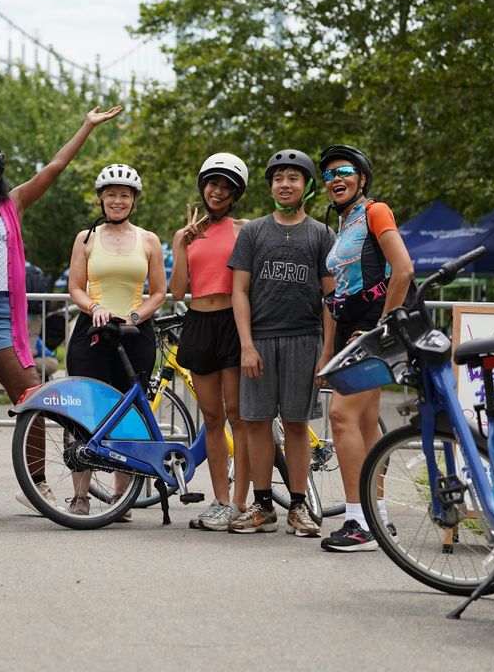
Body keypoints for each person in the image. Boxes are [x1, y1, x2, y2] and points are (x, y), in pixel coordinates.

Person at [0, 105, 123, 512]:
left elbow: (54, 167)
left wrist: (86, 126)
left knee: (33, 394)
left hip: (1, 313)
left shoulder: (13, 204)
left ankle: (36, 483)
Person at [227, 149, 334, 538]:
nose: (284, 184)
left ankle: (299, 506)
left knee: (296, 423)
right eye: (278, 178)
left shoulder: (321, 234)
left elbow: (331, 297)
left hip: (304, 338)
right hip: (260, 338)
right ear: (270, 185)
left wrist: (327, 352)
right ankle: (262, 505)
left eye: (293, 177)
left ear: (306, 185)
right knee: (256, 422)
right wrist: (246, 344)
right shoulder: (253, 232)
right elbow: (239, 291)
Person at [317, 145, 413, 552]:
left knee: (341, 417)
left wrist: (380, 328)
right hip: (349, 329)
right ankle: (379, 515)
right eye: (328, 175)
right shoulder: (343, 226)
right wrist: (327, 352)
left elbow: (403, 269)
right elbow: (335, 297)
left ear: (361, 179)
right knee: (366, 423)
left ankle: (359, 523)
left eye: (344, 171)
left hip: (371, 327)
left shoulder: (376, 211)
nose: (335, 179)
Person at [65, 164, 167, 517]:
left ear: (134, 201)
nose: (118, 201)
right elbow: (75, 287)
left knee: (129, 413)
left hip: (135, 331)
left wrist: (136, 316)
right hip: (93, 329)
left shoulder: (149, 240)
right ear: (101, 199)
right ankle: (80, 496)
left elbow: (159, 292)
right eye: (111, 195)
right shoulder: (86, 238)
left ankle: (121, 499)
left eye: (125, 195)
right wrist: (95, 307)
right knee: (83, 412)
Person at [169, 153, 252, 531]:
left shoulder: (244, 229)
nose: (217, 191)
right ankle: (221, 500)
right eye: (212, 184)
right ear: (203, 188)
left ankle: (242, 502)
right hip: (199, 322)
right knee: (213, 418)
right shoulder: (184, 234)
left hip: (233, 323)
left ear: (235, 194)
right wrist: (182, 246)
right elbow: (177, 291)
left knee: (239, 415)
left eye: (226, 187)